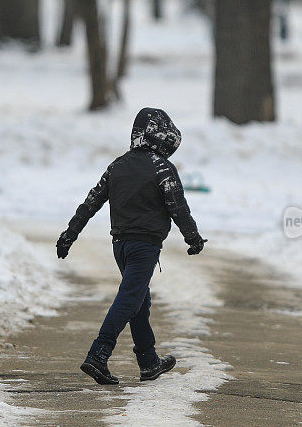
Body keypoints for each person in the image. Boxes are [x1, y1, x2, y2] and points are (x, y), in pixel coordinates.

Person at [56, 108, 207, 385]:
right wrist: (193, 238)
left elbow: (90, 203)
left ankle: (149, 362)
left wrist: (70, 234)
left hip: (120, 246)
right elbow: (178, 208)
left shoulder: (117, 166)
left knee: (139, 301)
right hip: (144, 246)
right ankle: (98, 355)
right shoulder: (161, 167)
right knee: (129, 300)